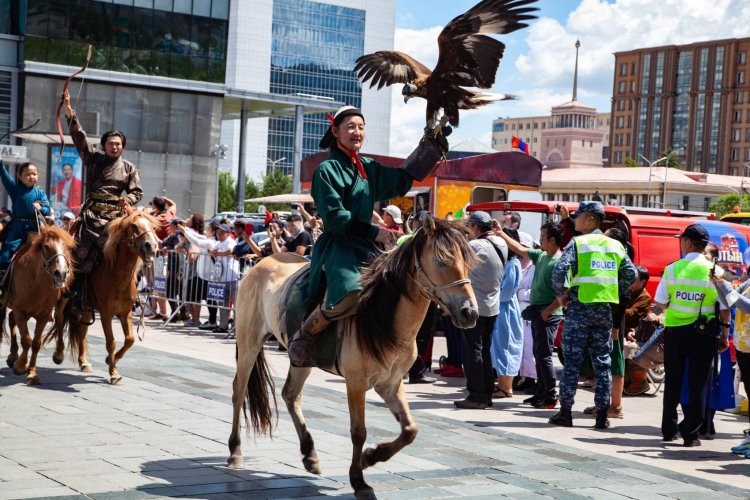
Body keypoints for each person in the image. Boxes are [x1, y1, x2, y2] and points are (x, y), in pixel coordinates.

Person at [289, 105, 448, 367]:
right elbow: (336, 219)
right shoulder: (326, 170)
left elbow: (400, 179)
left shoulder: (367, 167)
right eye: (351, 127)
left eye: (361, 127)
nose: (357, 132)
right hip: (339, 246)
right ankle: (306, 334)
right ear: (335, 131)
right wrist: (377, 232)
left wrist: (429, 151)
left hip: (367, 245)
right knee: (350, 291)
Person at [550, 201, 636, 429]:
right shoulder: (615, 246)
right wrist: (613, 290)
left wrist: (562, 296)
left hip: (579, 308)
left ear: (590, 219)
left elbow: (559, 270)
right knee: (602, 363)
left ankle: (565, 413)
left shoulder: (579, 243)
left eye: (578, 216)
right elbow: (631, 273)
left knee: (572, 363)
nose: (574, 219)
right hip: (603, 310)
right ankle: (601, 416)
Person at [63, 89, 143, 316]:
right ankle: (76, 295)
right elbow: (79, 138)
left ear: (123, 146)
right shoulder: (94, 159)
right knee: (79, 255)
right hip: (91, 219)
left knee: (132, 253)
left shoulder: (129, 168)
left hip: (116, 221)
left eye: (118, 144)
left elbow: (137, 191)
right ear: (104, 145)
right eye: (110, 143)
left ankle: (132, 296)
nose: (114, 147)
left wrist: (127, 199)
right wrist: (69, 111)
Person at [655, 223, 730, 447]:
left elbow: (660, 302)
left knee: (673, 382)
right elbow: (725, 307)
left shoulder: (673, 269)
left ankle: (668, 430)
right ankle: (691, 435)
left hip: (675, 333)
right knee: (698, 385)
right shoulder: (716, 272)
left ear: (687, 242)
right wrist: (724, 336)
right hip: (703, 334)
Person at [495, 221, 565, 409]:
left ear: (552, 240)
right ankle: (541, 392)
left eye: (542, 237)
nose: (539, 240)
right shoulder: (541, 255)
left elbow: (563, 296)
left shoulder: (560, 262)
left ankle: (550, 396)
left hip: (549, 313)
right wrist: (500, 233)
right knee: (537, 353)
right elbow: (518, 248)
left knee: (544, 355)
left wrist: (545, 313)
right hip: (538, 312)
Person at [455, 211, 507, 409]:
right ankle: (486, 393)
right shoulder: (500, 243)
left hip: (474, 306)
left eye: (469, 226)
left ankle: (477, 395)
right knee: (484, 351)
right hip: (492, 306)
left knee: (472, 352)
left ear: (476, 227)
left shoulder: (475, 246)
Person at [713, 271, 750, 457]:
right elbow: (729, 300)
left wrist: (724, 286)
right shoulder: (749, 283)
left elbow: (745, 305)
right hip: (745, 347)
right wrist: (718, 285)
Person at [0, 161, 51, 288]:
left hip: (35, 228)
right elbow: (4, 175)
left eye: (34, 174)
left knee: (49, 254)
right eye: (27, 174)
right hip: (17, 229)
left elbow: (48, 209)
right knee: (5, 256)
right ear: (19, 176)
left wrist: (41, 208)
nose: (31, 176)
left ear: (38, 176)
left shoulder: (40, 193)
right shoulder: (14, 189)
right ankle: (3, 287)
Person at [489, 227, 524, 399]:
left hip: (506, 309)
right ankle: (502, 384)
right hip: (499, 308)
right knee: (498, 346)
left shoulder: (513, 263)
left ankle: (506, 387)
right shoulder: (504, 262)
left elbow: (507, 291)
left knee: (506, 345)